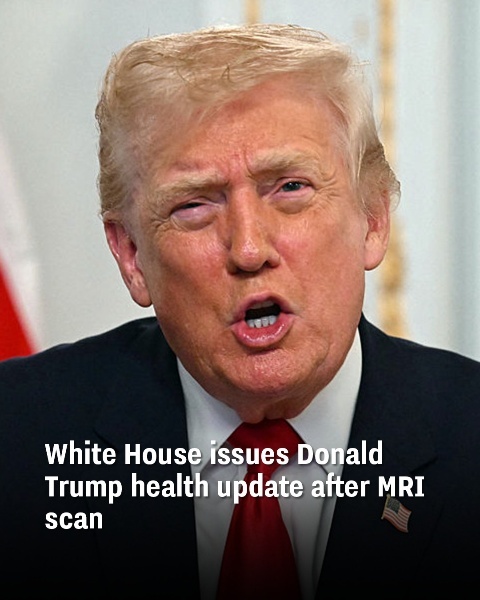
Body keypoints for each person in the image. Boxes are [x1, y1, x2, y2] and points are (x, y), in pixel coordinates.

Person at [1, 22, 479, 596]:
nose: (249, 249)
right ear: (131, 255)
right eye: (194, 205)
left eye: (290, 188)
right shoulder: (17, 442)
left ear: (373, 219)